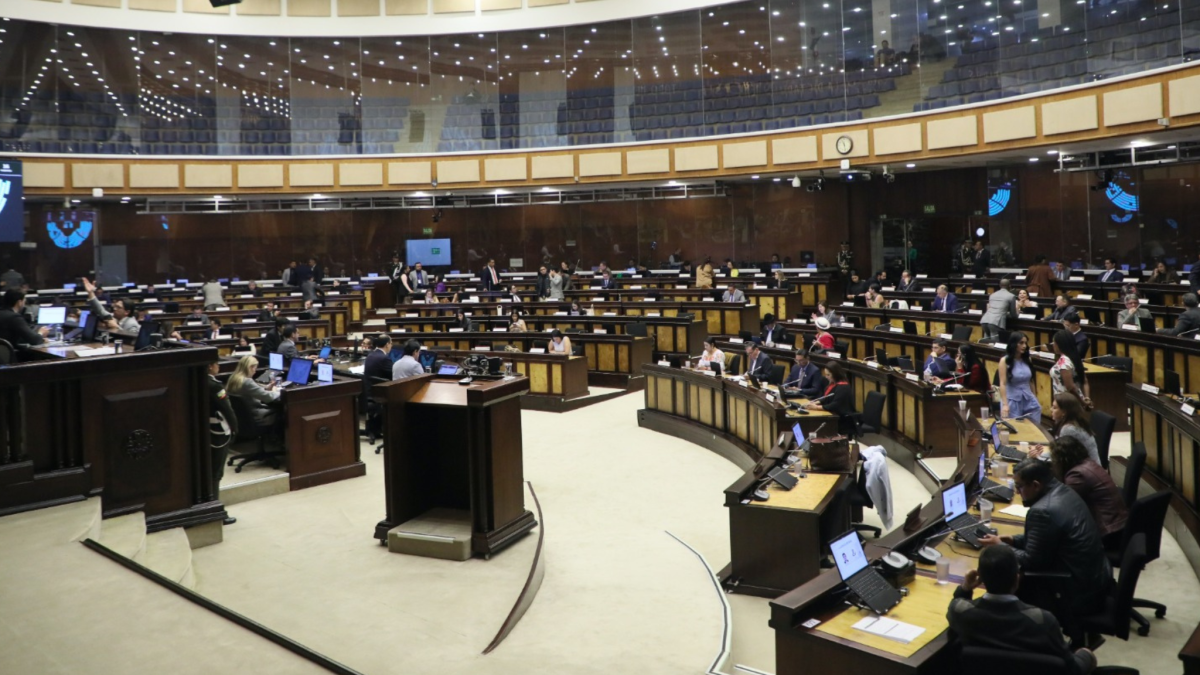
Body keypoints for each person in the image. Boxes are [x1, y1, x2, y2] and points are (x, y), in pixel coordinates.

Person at [977, 459, 1113, 619]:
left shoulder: (1042, 511)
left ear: (1035, 485)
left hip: (1074, 591)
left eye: (1020, 487)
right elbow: (1048, 539)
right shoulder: (1064, 491)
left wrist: (1000, 546)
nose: (1017, 492)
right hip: (1095, 578)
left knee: (1000, 584)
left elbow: (1032, 561)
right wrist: (1013, 540)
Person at [946, 545, 1097, 675]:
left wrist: (966, 587)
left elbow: (957, 603)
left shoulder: (961, 614)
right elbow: (1072, 670)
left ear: (981, 579)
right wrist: (1086, 655)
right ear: (1017, 579)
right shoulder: (1042, 621)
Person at [1048, 435, 1128, 542]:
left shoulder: (1076, 476)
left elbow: (1062, 505)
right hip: (1117, 525)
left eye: (1054, 459)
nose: (1053, 462)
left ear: (1062, 459)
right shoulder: (1088, 463)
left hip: (1108, 534)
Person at [206, 360, 239, 525]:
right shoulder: (214, 386)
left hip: (205, 432)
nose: (219, 367)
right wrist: (235, 428)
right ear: (211, 366)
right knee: (216, 472)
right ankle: (216, 512)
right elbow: (227, 409)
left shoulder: (197, 381)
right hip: (218, 432)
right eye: (217, 364)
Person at [1030, 392, 1101, 466]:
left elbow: (1060, 459)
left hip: (1087, 472)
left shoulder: (1069, 429)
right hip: (1085, 467)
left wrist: (1038, 457)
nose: (1051, 410)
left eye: (1054, 408)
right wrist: (1041, 454)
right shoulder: (1072, 423)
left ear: (1064, 412)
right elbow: (1060, 452)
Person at [226, 354, 282, 427]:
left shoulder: (234, 378)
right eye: (255, 368)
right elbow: (268, 396)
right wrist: (278, 392)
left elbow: (253, 390)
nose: (255, 371)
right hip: (255, 416)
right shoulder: (247, 381)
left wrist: (267, 388)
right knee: (283, 412)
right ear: (250, 367)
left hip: (241, 417)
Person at [999, 332, 1040, 424]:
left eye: (1025, 343)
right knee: (1015, 428)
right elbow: (1002, 383)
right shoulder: (1004, 361)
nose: (1024, 346)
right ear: (1013, 344)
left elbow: (1031, 381)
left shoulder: (1028, 359)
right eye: (1021, 343)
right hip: (1012, 400)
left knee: (1034, 427)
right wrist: (1005, 405)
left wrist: (1034, 397)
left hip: (1028, 398)